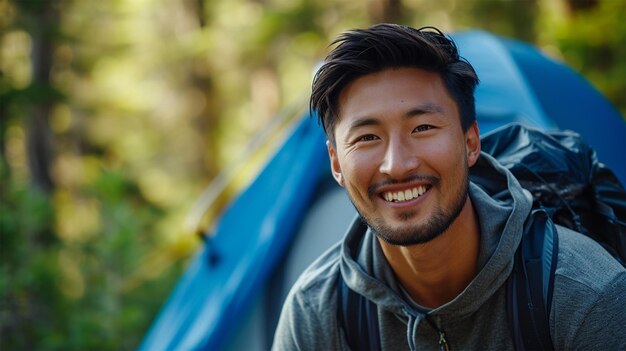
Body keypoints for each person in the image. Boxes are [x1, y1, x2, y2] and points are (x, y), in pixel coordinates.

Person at [272, 23, 626, 350]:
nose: (397, 165)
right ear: (336, 163)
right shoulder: (318, 312)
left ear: (471, 142)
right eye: (367, 137)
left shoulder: (584, 295)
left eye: (423, 128)